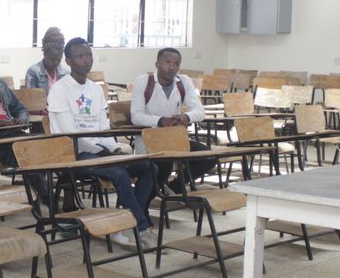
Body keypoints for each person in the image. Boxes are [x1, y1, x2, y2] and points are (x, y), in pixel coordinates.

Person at [48, 37, 156, 249]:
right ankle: (141, 226)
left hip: (100, 152)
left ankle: (124, 223)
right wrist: (102, 152)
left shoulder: (95, 89)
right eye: (80, 56)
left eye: (88, 55)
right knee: (119, 173)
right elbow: (71, 134)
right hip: (73, 154)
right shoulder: (60, 90)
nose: (86, 60)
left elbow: (103, 127)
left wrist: (114, 148)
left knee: (148, 168)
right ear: (68, 61)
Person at [129, 47, 213, 191]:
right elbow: (136, 116)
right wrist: (161, 121)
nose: (172, 67)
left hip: (174, 140)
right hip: (150, 140)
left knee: (209, 157)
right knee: (164, 163)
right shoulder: (144, 81)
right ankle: (148, 197)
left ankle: (176, 187)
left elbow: (200, 111)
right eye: (167, 62)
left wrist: (186, 117)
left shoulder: (183, 81)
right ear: (157, 64)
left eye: (176, 64)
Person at [25, 27, 70, 93]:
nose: (55, 63)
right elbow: (30, 99)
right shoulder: (33, 72)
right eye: (52, 59)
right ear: (44, 53)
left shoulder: (65, 73)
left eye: (58, 60)